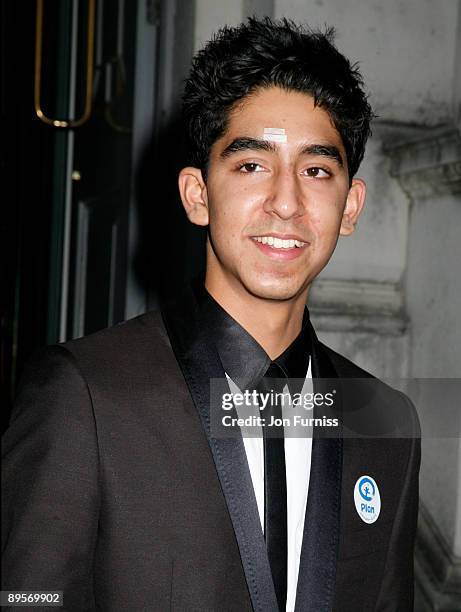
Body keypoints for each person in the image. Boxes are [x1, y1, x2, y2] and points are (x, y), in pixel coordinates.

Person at [2, 17, 420, 612]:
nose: (286, 201)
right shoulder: (83, 396)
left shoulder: (387, 422)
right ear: (198, 194)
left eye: (316, 170)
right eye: (251, 165)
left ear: (350, 207)